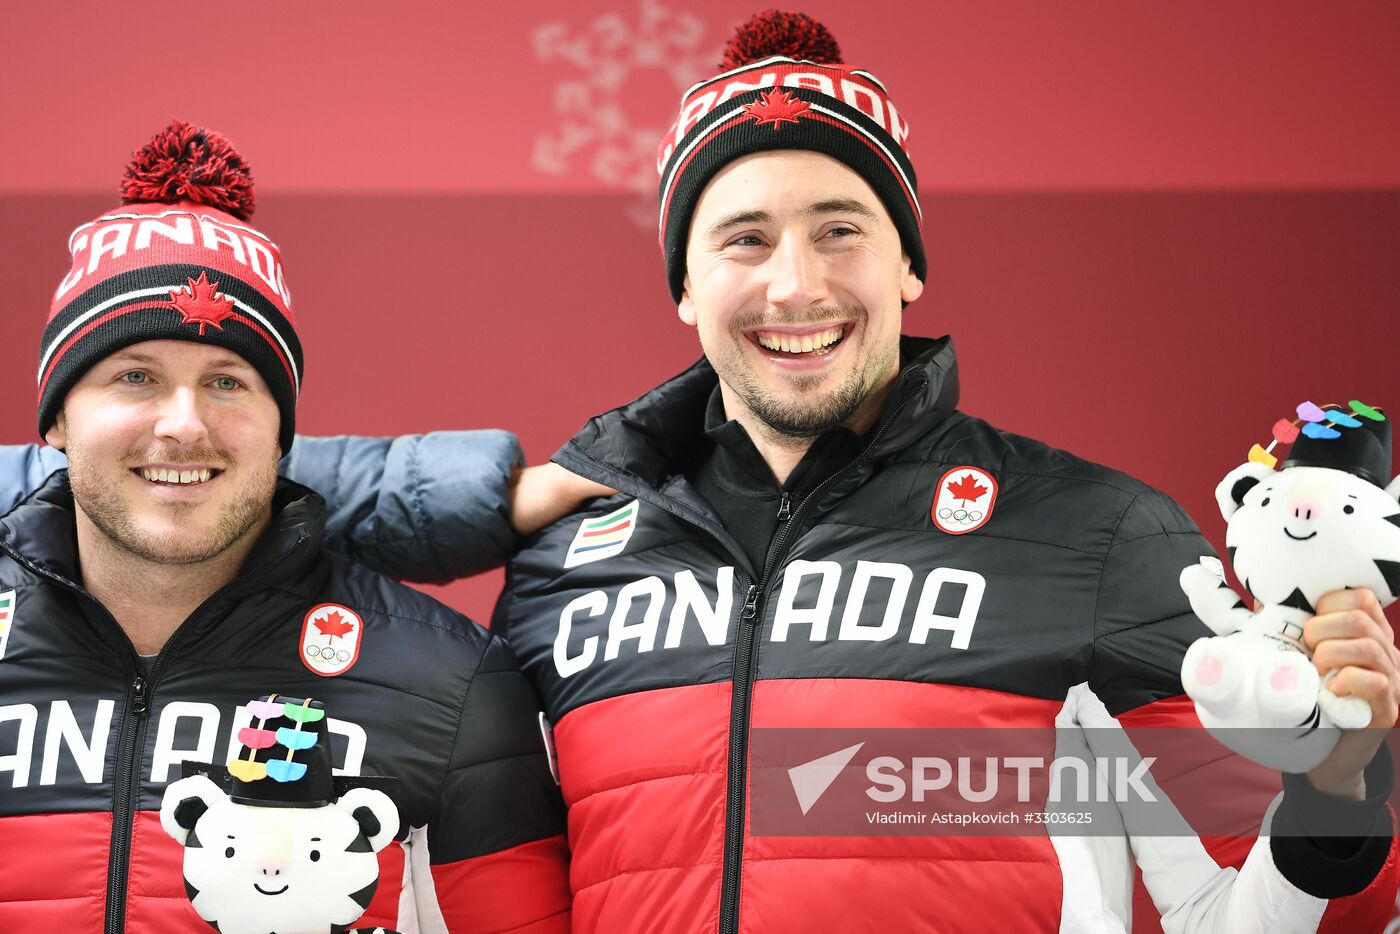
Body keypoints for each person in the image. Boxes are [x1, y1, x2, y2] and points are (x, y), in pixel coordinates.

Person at [5, 17, 1398, 934]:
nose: (794, 282)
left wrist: (1344, 797)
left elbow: (1258, 913)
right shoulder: (566, 559)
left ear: (909, 260)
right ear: (682, 284)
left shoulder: (1095, 532)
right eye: (741, 238)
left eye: (840, 227)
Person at [0, 122, 573, 933]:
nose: (183, 426)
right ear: (56, 419)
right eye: (135, 376)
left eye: (228, 382)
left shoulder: (450, 686)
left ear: (282, 431)